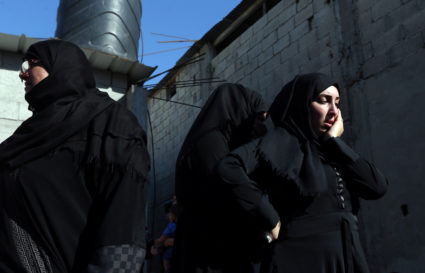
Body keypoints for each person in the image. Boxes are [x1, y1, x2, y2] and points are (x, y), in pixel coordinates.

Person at [0, 39, 150, 273]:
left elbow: (123, 223)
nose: (23, 74)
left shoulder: (110, 124)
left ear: (60, 66)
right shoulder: (29, 134)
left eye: (30, 65)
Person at [217, 73, 389, 273]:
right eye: (323, 101)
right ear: (303, 104)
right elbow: (229, 166)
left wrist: (335, 143)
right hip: (297, 258)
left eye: (337, 103)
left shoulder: (333, 150)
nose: (334, 111)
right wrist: (268, 216)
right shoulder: (280, 142)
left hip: (346, 255)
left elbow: (377, 187)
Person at [171, 83, 269, 273]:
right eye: (257, 119)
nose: (259, 128)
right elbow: (227, 197)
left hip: (211, 247)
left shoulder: (212, 141)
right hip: (207, 251)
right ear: (240, 111)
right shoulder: (210, 144)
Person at [151, 204, 179, 273]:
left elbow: (161, 239)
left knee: (166, 255)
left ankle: (166, 270)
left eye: (169, 215)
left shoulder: (171, 226)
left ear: (173, 216)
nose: (168, 216)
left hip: (174, 248)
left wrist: (153, 244)